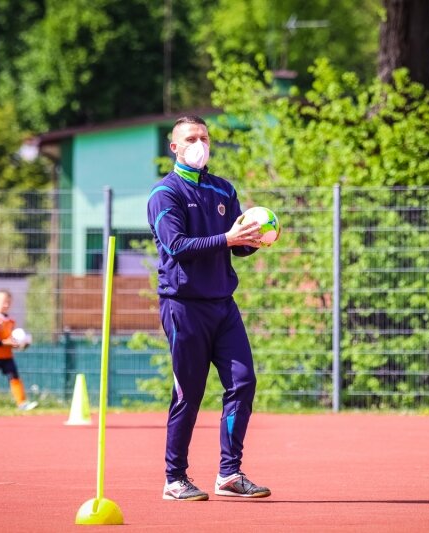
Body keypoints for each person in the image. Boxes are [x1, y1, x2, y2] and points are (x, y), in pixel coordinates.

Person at [147, 115, 271, 501]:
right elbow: (177, 246)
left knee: (243, 382)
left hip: (223, 304)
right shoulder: (164, 193)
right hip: (182, 306)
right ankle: (174, 479)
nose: (199, 143)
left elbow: (236, 244)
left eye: (204, 137)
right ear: (174, 147)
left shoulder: (223, 189)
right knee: (189, 393)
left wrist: (256, 237)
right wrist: (228, 238)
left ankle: (229, 474)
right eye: (190, 138)